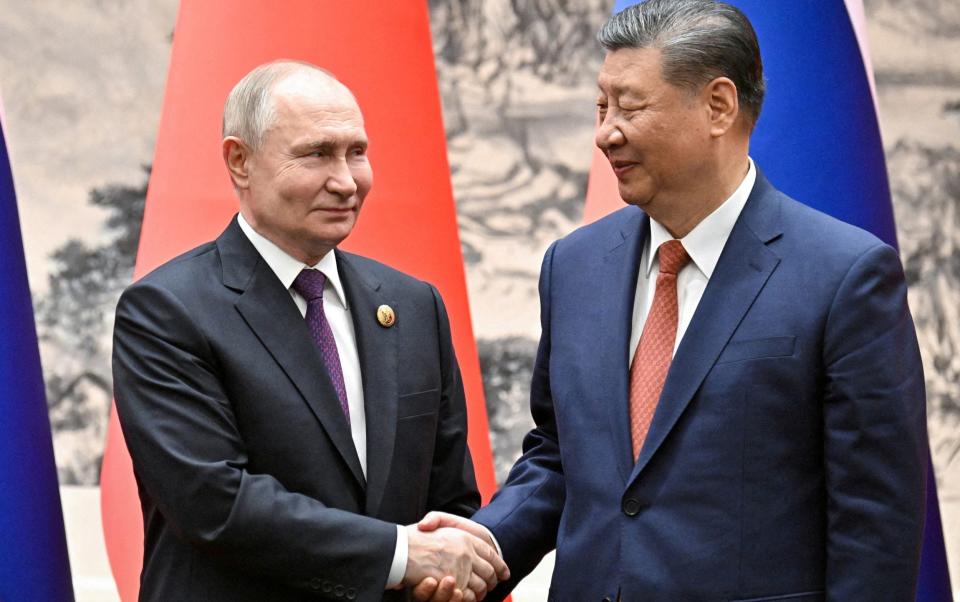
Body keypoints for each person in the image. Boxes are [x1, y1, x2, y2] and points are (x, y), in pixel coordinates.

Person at [418, 1, 928, 600]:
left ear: (718, 106)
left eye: (629, 107)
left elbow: (876, 522)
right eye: (600, 107)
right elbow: (563, 455)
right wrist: (487, 547)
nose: (605, 132)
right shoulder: (575, 265)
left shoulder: (845, 276)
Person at [112, 60, 508, 602]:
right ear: (239, 160)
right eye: (317, 154)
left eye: (357, 152)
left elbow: (450, 499)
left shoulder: (414, 306)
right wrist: (399, 554)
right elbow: (213, 501)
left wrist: (448, 572)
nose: (346, 181)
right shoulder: (166, 310)